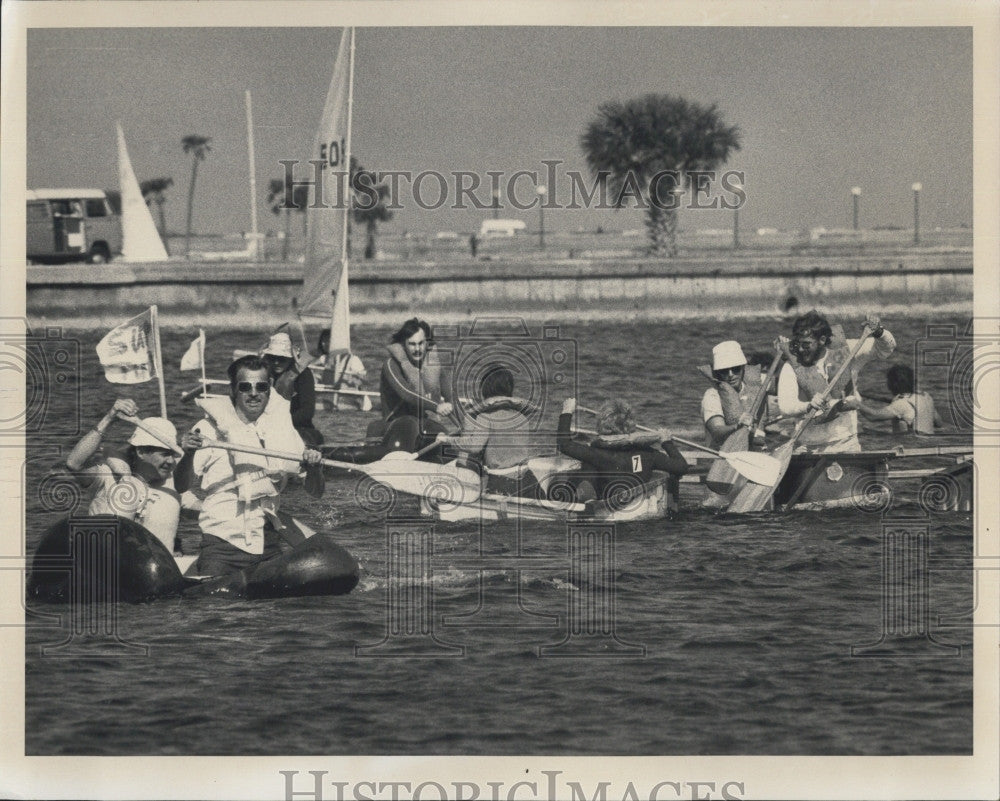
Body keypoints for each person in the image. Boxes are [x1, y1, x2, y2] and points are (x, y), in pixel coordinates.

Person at [175, 355, 325, 577]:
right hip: (222, 545)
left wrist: (315, 468)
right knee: (213, 607)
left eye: (261, 386)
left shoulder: (282, 431)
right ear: (233, 390)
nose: (254, 393)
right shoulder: (206, 430)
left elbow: (316, 492)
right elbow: (180, 485)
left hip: (267, 545)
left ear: (269, 389)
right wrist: (188, 455)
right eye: (245, 386)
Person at [55, 397, 192, 555]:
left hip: (154, 575)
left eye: (173, 455)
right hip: (106, 570)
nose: (171, 461)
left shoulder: (174, 487)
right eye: (165, 454)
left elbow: (205, 510)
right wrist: (110, 417)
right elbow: (74, 463)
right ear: (141, 452)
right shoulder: (108, 476)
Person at [776, 310, 896, 453]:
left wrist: (879, 332)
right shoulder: (791, 366)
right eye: (798, 344)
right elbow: (785, 408)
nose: (801, 350)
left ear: (822, 340)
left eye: (807, 345)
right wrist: (808, 406)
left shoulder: (850, 352)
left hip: (846, 443)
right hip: (808, 446)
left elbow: (886, 350)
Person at [554, 397, 688, 508]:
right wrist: (666, 442)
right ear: (631, 425)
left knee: (585, 466)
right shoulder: (648, 453)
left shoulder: (596, 454)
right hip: (637, 511)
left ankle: (586, 501)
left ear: (602, 426)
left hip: (607, 509)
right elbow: (682, 467)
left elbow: (564, 444)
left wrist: (567, 411)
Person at [435, 365, 548, 494]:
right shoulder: (522, 417)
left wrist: (447, 439)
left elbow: (474, 447)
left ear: (485, 390)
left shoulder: (485, 417)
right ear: (510, 389)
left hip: (502, 481)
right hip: (527, 478)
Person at [379, 317, 454, 450]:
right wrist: (437, 406)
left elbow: (451, 398)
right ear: (403, 344)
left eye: (421, 343)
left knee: (442, 434)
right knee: (412, 426)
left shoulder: (434, 366)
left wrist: (469, 427)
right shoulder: (390, 365)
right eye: (412, 344)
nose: (417, 349)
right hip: (398, 427)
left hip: (424, 426)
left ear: (427, 343)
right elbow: (406, 393)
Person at [699, 340, 766, 449]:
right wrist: (737, 426)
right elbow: (717, 431)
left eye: (735, 369)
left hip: (755, 452)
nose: (731, 375)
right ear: (717, 373)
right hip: (724, 454)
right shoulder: (712, 396)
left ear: (743, 368)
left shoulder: (757, 386)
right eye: (724, 371)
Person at [261, 331, 323, 447]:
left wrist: (281, 424)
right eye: (272, 358)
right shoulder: (263, 374)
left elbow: (308, 411)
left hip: (298, 427)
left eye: (282, 359)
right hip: (267, 426)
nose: (276, 362)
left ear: (291, 359)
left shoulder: (304, 375)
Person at [856, 364, 942, 435]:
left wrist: (856, 404)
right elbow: (939, 423)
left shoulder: (901, 404)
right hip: (927, 443)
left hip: (910, 446)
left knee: (861, 430)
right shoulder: (926, 397)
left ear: (893, 384)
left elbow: (873, 416)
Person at [313, 328, 370, 411]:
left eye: (328, 340)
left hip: (348, 397)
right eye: (322, 341)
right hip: (328, 397)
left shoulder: (353, 360)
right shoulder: (323, 359)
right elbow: (310, 367)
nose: (323, 344)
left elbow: (364, 380)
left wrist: (354, 378)